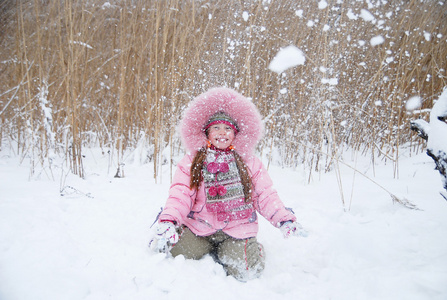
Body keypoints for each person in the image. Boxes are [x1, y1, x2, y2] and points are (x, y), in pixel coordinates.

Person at [150, 87, 306, 281]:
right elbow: (180, 194)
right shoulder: (192, 161)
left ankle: (251, 249)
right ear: (206, 132)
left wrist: (283, 219)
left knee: (246, 272)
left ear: (236, 133)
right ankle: (178, 234)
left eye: (228, 128)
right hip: (200, 228)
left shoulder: (249, 162)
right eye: (216, 128)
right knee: (172, 252)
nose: (222, 133)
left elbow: (264, 195)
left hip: (237, 230)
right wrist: (169, 219)